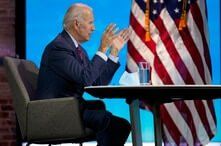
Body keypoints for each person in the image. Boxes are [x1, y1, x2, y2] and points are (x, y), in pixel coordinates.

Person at [34, 3, 131, 146]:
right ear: (77, 24)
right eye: (90, 23)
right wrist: (102, 48)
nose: (94, 28)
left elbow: (97, 83)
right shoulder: (59, 48)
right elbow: (85, 78)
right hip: (58, 113)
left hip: (73, 109)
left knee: (121, 125)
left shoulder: (78, 50)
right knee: (113, 125)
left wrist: (114, 52)